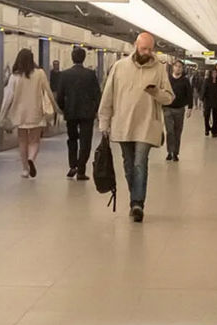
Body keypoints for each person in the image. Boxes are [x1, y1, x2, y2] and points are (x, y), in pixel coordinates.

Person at [97, 32, 174, 222]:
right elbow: (108, 96)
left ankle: (137, 203)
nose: (147, 52)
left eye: (149, 49)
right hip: (123, 124)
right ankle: (135, 197)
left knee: (140, 163)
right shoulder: (119, 67)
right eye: (143, 48)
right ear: (135, 46)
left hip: (147, 125)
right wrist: (104, 122)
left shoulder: (159, 69)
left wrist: (156, 92)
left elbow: (169, 97)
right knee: (128, 164)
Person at [0, 48, 58, 179]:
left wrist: (2, 115)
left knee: (22, 141)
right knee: (34, 141)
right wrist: (55, 107)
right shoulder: (40, 73)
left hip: (19, 114)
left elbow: (8, 97)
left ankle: (25, 169)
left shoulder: (14, 76)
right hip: (36, 112)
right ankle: (31, 158)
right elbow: (48, 92)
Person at [55, 47, 101, 180]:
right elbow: (97, 94)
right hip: (87, 114)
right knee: (86, 141)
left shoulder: (64, 74)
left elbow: (60, 96)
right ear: (84, 58)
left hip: (71, 112)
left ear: (72, 57)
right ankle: (81, 170)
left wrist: (64, 109)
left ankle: (72, 165)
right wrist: (95, 110)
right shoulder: (90, 74)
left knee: (72, 139)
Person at [164, 62, 193, 162]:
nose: (178, 68)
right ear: (173, 68)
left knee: (177, 132)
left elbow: (189, 94)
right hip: (167, 108)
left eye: (180, 67)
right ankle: (169, 151)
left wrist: (190, 108)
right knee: (170, 131)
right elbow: (163, 91)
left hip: (180, 109)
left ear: (182, 69)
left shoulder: (185, 81)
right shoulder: (167, 79)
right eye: (176, 66)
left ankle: (175, 152)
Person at [202, 66, 217, 137]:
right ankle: (207, 128)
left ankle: (214, 130)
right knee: (207, 116)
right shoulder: (207, 81)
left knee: (215, 116)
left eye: (216, 73)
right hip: (208, 100)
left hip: (216, 101)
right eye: (213, 73)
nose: (214, 74)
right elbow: (203, 90)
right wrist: (202, 99)